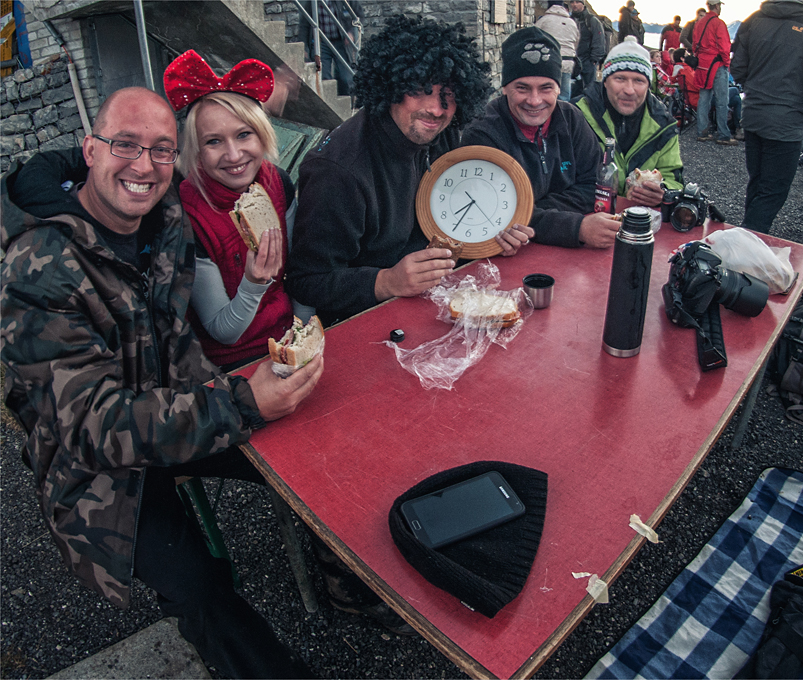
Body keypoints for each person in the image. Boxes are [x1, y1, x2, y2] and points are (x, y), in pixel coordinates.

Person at [1, 86, 324, 678]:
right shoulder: (38, 270)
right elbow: (92, 426)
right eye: (125, 146)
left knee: (313, 447)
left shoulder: (164, 215)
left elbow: (179, 338)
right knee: (198, 589)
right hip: (99, 467)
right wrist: (243, 401)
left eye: (161, 151)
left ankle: (356, 576)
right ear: (89, 151)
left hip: (186, 405)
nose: (144, 166)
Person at [286, 15, 501, 326]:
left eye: (449, 95)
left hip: (436, 304)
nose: (436, 109)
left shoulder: (444, 136)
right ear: (391, 85)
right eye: (419, 90)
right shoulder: (338, 170)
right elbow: (307, 280)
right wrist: (386, 282)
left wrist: (492, 233)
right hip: (363, 324)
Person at [162, 50, 314, 372]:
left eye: (244, 134)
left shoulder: (278, 182)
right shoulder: (188, 215)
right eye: (214, 142)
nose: (234, 155)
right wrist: (253, 284)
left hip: (292, 335)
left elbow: (301, 269)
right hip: (238, 361)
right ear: (197, 151)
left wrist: (300, 334)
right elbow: (223, 331)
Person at [460, 27, 619, 249]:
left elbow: (595, 186)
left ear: (559, 88)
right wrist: (575, 227)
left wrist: (535, 210)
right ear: (505, 88)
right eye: (522, 88)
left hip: (555, 246)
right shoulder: (482, 133)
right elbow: (491, 212)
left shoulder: (571, 118)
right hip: (511, 254)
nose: (535, 101)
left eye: (546, 88)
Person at [731, 0, 803, 233]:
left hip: (753, 117)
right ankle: (746, 244)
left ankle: (745, 238)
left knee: (758, 183)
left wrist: (758, 90)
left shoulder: (752, 20)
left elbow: (738, 69)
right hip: (788, 124)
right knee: (773, 191)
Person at [576, 36, 684, 208]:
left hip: (641, 223)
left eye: (639, 81)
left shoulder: (664, 126)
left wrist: (662, 192)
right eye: (620, 78)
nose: (629, 90)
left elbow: (675, 180)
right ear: (605, 81)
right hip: (586, 216)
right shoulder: (577, 115)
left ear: (649, 85)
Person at [693, 0, 736, 145]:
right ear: (717, 6)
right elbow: (724, 47)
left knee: (703, 98)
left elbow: (694, 45)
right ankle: (723, 134)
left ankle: (702, 131)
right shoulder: (719, 23)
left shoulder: (699, 23)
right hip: (716, 64)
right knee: (722, 100)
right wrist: (727, 63)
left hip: (702, 64)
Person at [309, 0, 362, 96]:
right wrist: (305, 46)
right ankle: (329, 106)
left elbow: (358, 14)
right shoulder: (312, 1)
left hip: (341, 41)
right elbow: (305, 22)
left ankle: (347, 105)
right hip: (321, 42)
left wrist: (351, 32)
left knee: (346, 78)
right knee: (324, 77)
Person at [536, 0, 580, 102]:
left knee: (548, 92)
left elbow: (534, 37)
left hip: (549, 60)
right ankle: (563, 116)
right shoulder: (571, 23)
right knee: (564, 95)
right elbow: (576, 42)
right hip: (568, 61)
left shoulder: (544, 20)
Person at [568, 0, 607, 90]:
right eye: (572, 2)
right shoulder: (569, 20)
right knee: (573, 90)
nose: (574, 4)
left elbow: (599, 40)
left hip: (588, 61)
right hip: (572, 60)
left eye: (577, 2)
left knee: (590, 89)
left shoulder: (592, 21)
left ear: (583, 4)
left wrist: (594, 59)